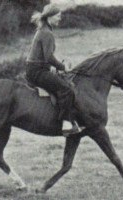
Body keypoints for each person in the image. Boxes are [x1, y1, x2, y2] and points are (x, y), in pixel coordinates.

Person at [26, 3, 79, 136]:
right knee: (67, 89)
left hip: (37, 69)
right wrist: (63, 67)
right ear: (50, 17)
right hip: (38, 72)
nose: (59, 19)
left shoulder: (43, 30)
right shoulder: (46, 33)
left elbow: (44, 57)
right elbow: (48, 57)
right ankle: (66, 123)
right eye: (58, 16)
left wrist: (54, 68)